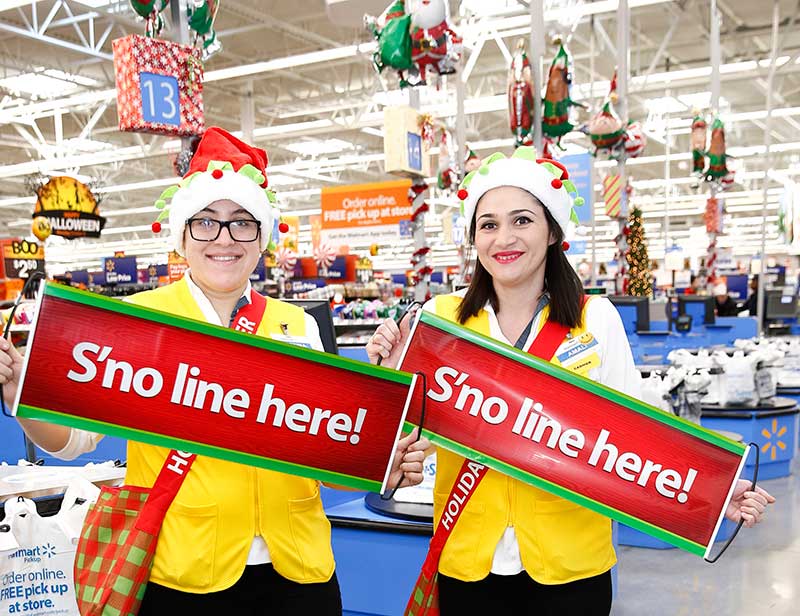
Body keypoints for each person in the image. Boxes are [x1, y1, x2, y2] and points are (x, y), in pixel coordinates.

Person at [0, 127, 429, 615]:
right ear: (182, 235)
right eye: (206, 222)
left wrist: (378, 466)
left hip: (299, 573)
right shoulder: (140, 320)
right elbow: (72, 439)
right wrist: (20, 396)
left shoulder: (298, 327)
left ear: (261, 237)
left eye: (242, 223)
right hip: (183, 576)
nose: (224, 239)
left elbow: (331, 470)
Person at [366, 147, 775, 615]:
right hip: (467, 557)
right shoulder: (442, 319)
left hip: (571, 565)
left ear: (552, 230)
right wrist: (389, 374)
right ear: (474, 238)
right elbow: (409, 436)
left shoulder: (594, 318)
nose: (505, 238)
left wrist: (710, 491)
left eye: (522, 220)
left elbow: (636, 438)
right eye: (489, 224)